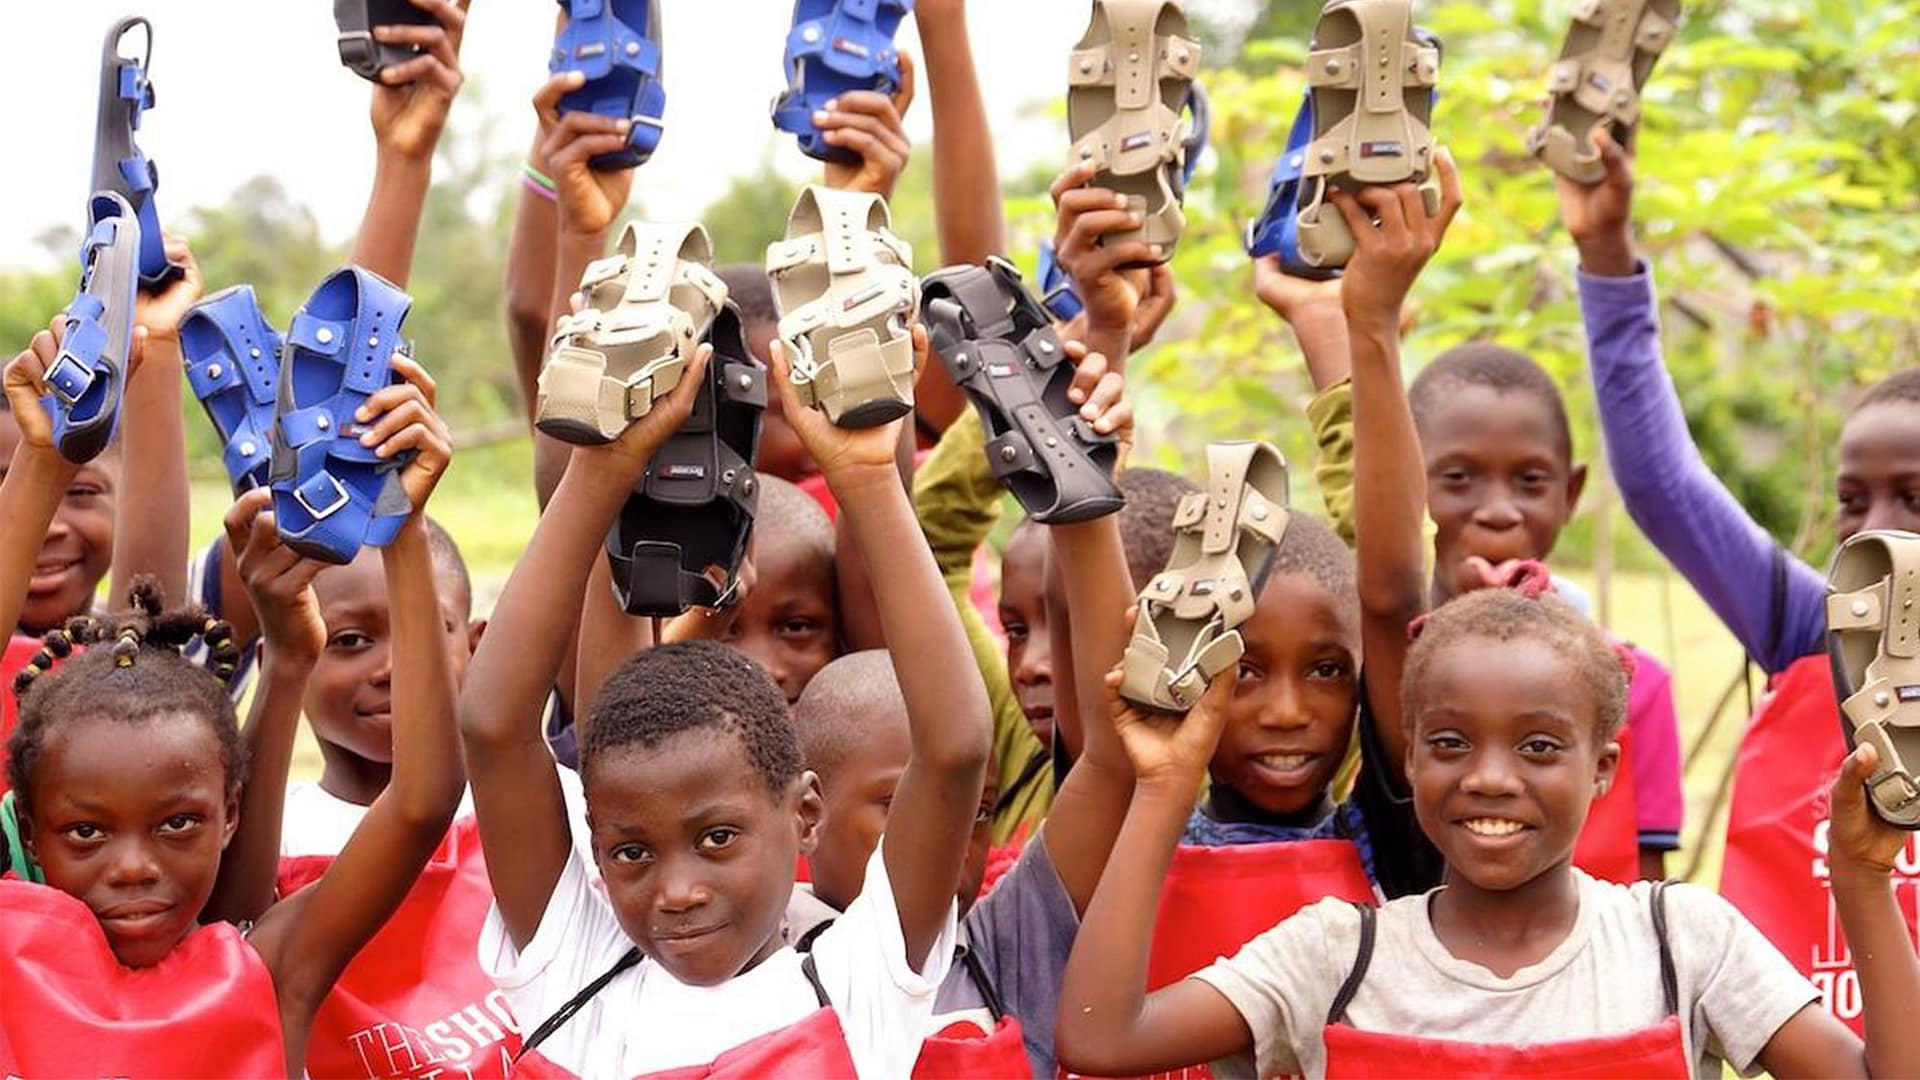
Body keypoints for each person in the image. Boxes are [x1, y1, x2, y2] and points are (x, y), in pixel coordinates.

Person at [1055, 179, 1915, 1078]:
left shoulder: (1680, 942)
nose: (1491, 779)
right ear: (1407, 754)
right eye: (1453, 742)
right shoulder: (1335, 956)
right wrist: (1164, 784)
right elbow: (1100, 1038)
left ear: (1605, 765)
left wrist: (1862, 880)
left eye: (1541, 747)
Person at [458, 312, 993, 1076]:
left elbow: (954, 747)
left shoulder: (855, 979)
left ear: (805, 813)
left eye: (717, 838)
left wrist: (870, 482)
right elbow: (492, 729)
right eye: (631, 852)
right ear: (596, 851)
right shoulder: (578, 974)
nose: (675, 892)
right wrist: (598, 475)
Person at [0, 316, 463, 1077]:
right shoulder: (12, 962)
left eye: (178, 823)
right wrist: (46, 462)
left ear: (231, 816)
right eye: (85, 833)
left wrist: (401, 529)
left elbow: (421, 802)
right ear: (30, 827)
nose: (133, 868)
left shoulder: (267, 970)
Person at [1569, 125, 1920, 1024]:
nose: (1874, 530)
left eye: (1913, 500)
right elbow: (1659, 483)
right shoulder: (1814, 629)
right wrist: (1606, 254)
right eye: (1852, 501)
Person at [1257, 245, 1683, 881]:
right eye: (1457, 478)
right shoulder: (1371, 653)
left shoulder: (1629, 680)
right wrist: (1342, 325)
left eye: (1529, 480)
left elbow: (1646, 887)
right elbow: (1386, 568)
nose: (1499, 513)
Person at [788, 348, 1136, 1076]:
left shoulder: (1008, 938)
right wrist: (869, 480)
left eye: (979, 812)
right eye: (899, 802)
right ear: (804, 812)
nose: (950, 836)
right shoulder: (750, 959)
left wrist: (1085, 503)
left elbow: (1108, 758)